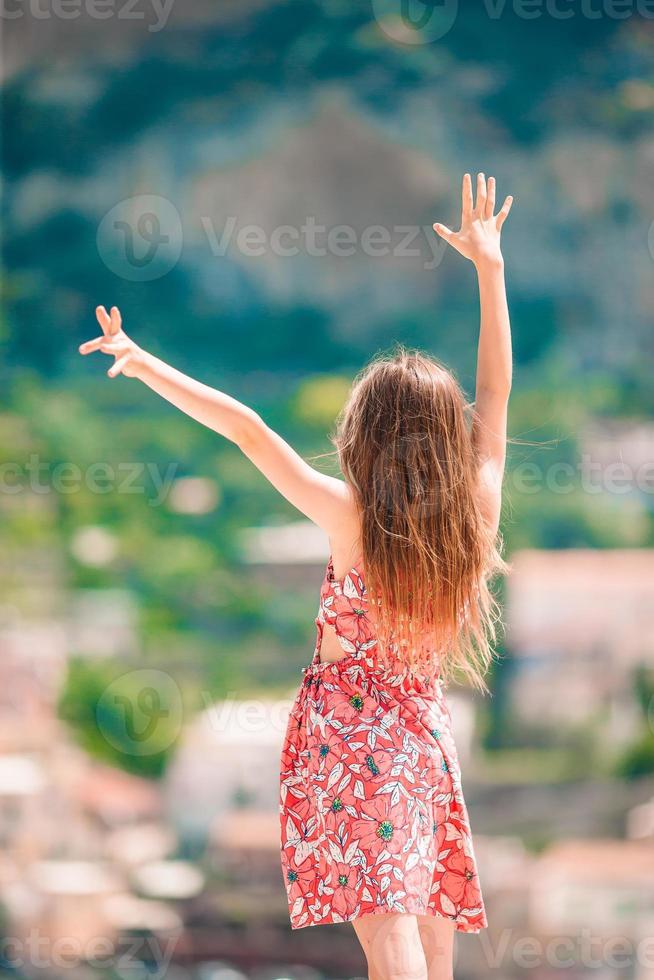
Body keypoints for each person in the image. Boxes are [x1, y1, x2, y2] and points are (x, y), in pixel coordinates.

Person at [80, 172, 513, 980]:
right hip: (423, 738)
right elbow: (493, 389)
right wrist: (489, 269)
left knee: (389, 936)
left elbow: (247, 431)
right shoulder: (474, 514)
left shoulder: (353, 519)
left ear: (367, 439)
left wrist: (144, 365)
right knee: (434, 934)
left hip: (346, 741)